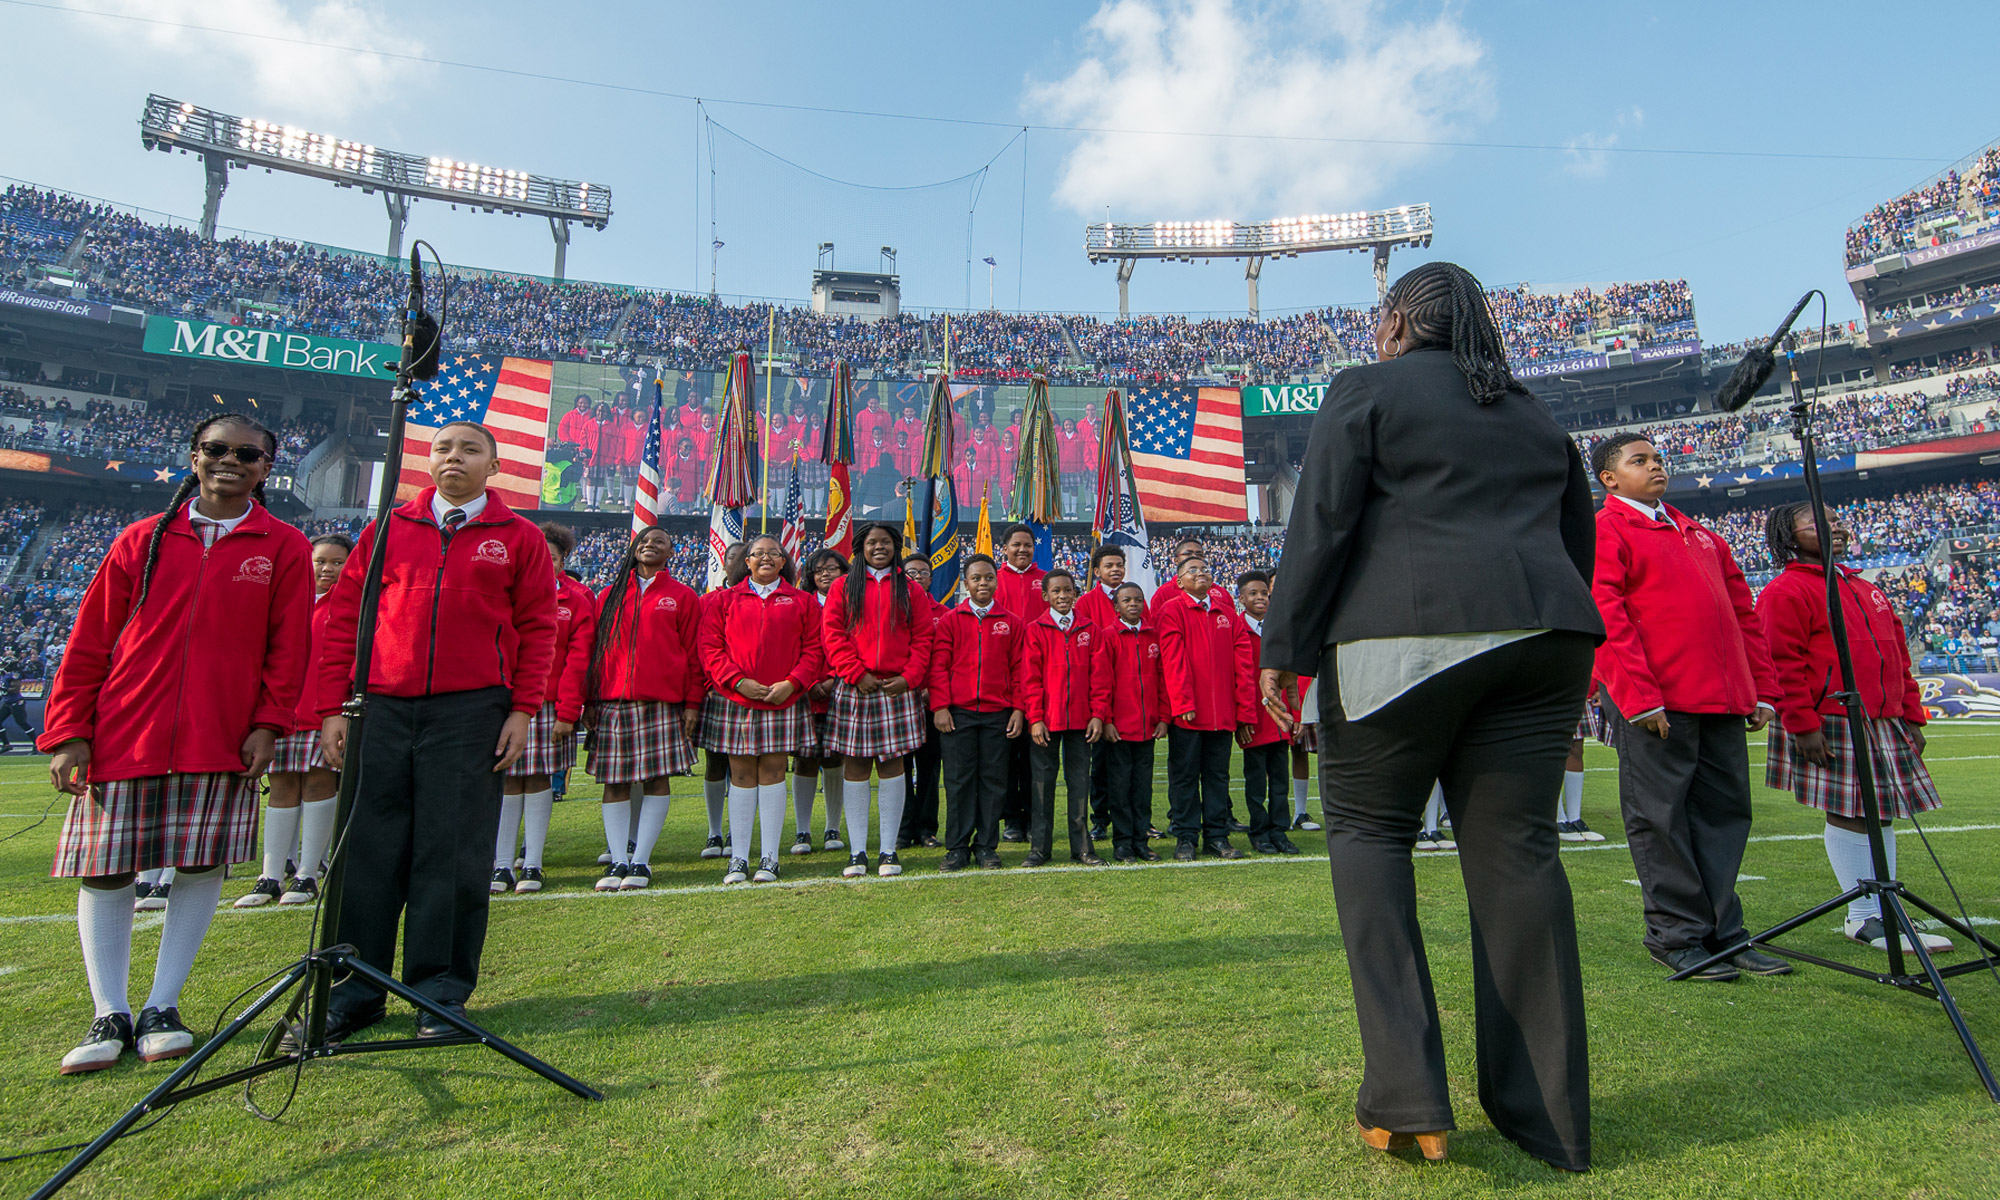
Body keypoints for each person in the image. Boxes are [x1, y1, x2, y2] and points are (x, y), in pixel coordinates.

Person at [1259, 262, 1604, 1171]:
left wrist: (1285, 649)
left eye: (1383, 317)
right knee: (1520, 858)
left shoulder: (1364, 388)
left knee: (1370, 836)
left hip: (1403, 636)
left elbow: (1321, 524)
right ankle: (1552, 1121)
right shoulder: (1533, 410)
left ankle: (1410, 1104)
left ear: (1403, 318)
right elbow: (1580, 535)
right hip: (1549, 633)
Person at [44, 413, 312, 1073]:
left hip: (220, 732)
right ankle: (109, 1010)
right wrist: (70, 729)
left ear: (265, 469)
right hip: (123, 730)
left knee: (200, 865)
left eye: (246, 454)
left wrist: (269, 723)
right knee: (106, 869)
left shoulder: (283, 546)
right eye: (216, 449)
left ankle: (164, 1005)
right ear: (194, 458)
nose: (230, 461)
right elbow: (89, 640)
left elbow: (290, 649)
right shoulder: (141, 539)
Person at [314, 420, 557, 1043]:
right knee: (367, 852)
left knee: (450, 854)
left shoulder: (520, 538)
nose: (456, 457)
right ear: (427, 459)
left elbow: (538, 631)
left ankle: (440, 994)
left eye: (471, 449)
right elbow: (345, 619)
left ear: (494, 465)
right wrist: (332, 706)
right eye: (444, 448)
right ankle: (354, 992)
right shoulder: (386, 530)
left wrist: (523, 711)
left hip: (472, 711)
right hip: (380, 709)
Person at [1590, 432, 1790, 983]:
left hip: (1721, 700)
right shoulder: (1606, 529)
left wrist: (1761, 690)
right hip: (1659, 702)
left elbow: (1743, 613)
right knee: (1661, 820)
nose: (1655, 465)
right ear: (1609, 479)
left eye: (1657, 458)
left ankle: (1724, 934)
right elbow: (1604, 614)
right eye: (1639, 460)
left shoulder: (1698, 531)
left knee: (1724, 817)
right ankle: (1675, 936)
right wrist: (1638, 697)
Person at [1755, 502, 1952, 953]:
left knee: (1881, 810)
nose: (1835, 528)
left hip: (1882, 718)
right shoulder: (1785, 592)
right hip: (1829, 718)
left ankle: (1887, 911)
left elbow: (1899, 657)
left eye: (1837, 521)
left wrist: (1911, 715)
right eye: (1818, 524)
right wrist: (1802, 724)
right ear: (1789, 537)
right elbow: (1780, 663)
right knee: (1849, 810)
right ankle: (1863, 917)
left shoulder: (1864, 587)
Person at [236, 532, 351, 909]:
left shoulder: (353, 605)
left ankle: (308, 872)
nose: (328, 569)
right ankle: (270, 875)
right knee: (282, 787)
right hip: (283, 712)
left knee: (319, 784)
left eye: (337, 562)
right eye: (321, 561)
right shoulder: (289, 601)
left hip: (326, 712)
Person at [585, 525, 702, 892]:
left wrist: (692, 703)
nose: (650, 545)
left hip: (662, 703)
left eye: (660, 542)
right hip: (612, 702)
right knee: (615, 783)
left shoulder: (683, 596)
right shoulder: (609, 594)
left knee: (656, 781)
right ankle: (619, 859)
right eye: (645, 541)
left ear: (672, 552)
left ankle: (641, 861)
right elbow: (593, 651)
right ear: (634, 549)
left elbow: (693, 656)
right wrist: (589, 698)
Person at [700, 534, 822, 885]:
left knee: (773, 772)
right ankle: (738, 859)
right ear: (746, 562)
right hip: (736, 699)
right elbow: (710, 648)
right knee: (739, 776)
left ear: (784, 562)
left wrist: (793, 683)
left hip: (783, 699)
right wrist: (736, 681)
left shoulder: (802, 601)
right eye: (758, 554)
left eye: (774, 553)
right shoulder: (722, 601)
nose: (766, 558)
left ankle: (769, 858)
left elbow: (814, 650)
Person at [821, 523, 933, 878]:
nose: (879, 547)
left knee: (892, 767)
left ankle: (888, 851)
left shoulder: (911, 589)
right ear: (860, 548)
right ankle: (857, 852)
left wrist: (909, 678)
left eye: (886, 542)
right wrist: (856, 673)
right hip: (857, 687)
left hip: (896, 689)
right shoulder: (842, 587)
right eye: (872, 542)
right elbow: (833, 634)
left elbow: (923, 638)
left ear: (895, 547)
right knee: (855, 767)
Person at [494, 523, 596, 895]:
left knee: (537, 781)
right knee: (505, 781)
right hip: (503, 702)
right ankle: (501, 865)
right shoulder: (502, 592)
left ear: (562, 560)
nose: (542, 562)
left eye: (550, 557)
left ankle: (533, 864)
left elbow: (578, 659)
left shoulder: (576, 600)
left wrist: (569, 710)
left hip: (549, 704)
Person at [928, 554, 1025, 871]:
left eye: (988, 577)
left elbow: (1021, 670)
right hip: (959, 715)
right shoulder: (951, 621)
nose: (983, 583)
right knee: (958, 782)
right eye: (976, 578)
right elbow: (939, 668)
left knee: (994, 782)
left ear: (996, 581)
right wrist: (940, 706)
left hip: (998, 714)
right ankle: (956, 847)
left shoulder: (1011, 623)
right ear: (965, 583)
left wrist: (1018, 709)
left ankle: (986, 846)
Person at [1156, 555, 1255, 861]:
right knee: (1185, 777)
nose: (1201, 573)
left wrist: (1245, 712)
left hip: (1222, 713)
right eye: (1193, 570)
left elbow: (1244, 666)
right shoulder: (1171, 610)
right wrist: (1183, 701)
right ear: (1179, 580)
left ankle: (1217, 836)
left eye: (1205, 569)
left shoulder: (1228, 614)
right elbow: (1172, 660)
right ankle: (1186, 836)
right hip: (1190, 714)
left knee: (1217, 777)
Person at [1018, 569, 1108, 866]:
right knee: (1042, 785)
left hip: (1082, 722)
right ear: (1045, 596)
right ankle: (1039, 849)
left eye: (1067, 590)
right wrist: (1035, 718)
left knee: (1079, 783)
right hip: (1046, 722)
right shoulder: (1036, 629)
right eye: (1056, 591)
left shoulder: (1090, 630)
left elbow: (1100, 678)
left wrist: (1098, 715)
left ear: (1075, 593)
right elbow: (1030, 679)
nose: (1062, 596)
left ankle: (1083, 847)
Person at [1093, 582, 1168, 862]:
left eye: (1138, 599)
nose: (1134, 604)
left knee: (1142, 788)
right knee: (1120, 789)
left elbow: (1162, 679)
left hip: (1148, 728)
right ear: (1117, 606)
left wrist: (1164, 717)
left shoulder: (1153, 636)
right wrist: (1107, 720)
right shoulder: (1108, 636)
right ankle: (1122, 843)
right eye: (1127, 600)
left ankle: (1140, 840)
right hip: (1119, 731)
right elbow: (1102, 682)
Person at [1234, 571, 1299, 855]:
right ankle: (1259, 832)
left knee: (1280, 780)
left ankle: (1279, 831)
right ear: (1242, 598)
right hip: (1254, 719)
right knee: (1256, 782)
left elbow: (1290, 678)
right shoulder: (1236, 629)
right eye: (1253, 594)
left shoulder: (1278, 629)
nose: (1260, 598)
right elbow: (1238, 677)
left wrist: (1294, 713)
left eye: (1264, 594)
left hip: (1278, 719)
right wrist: (1243, 717)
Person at [694, 541, 751, 861]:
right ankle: (715, 830)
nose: (737, 562)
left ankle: (736, 830)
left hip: (752, 692)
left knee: (744, 767)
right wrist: (709, 685)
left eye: (742, 557)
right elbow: (701, 648)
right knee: (716, 763)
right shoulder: (709, 600)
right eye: (732, 557)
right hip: (717, 693)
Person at [790, 548, 850, 854]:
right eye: (819, 570)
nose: (826, 574)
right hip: (805, 692)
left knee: (835, 760)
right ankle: (802, 831)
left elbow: (854, 645)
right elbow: (795, 646)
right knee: (805, 761)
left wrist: (833, 678)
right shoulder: (802, 604)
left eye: (832, 569)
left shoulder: (853, 603)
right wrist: (811, 682)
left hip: (841, 690)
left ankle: (832, 827)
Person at [993, 523, 1045, 842]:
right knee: (1006, 758)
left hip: (1040, 681)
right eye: (1016, 545)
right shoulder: (993, 580)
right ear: (1005, 548)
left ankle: (1033, 817)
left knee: (1035, 758)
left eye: (1027, 544)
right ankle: (1011, 818)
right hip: (1003, 680)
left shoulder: (1048, 581)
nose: (1022, 550)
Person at [1076, 544, 1126, 839]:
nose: (1116, 569)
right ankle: (1100, 818)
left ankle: (1132, 817)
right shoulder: (1086, 603)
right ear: (1097, 572)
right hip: (1099, 695)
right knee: (1101, 763)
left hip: (1130, 696)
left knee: (1129, 763)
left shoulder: (1134, 599)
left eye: (1119, 564)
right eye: (1109, 565)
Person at [898, 552, 945, 850]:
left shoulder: (945, 612)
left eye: (923, 573)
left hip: (930, 701)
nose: (917, 578)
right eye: (911, 573)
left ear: (930, 578)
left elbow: (945, 658)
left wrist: (931, 689)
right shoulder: (893, 609)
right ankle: (903, 829)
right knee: (899, 768)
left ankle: (927, 827)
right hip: (900, 698)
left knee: (929, 768)